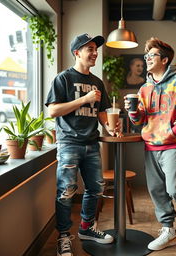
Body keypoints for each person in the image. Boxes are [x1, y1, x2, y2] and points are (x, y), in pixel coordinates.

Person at [124, 37, 176, 251]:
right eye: (146, 56)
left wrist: (175, 130)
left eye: (151, 55)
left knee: (175, 188)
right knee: (157, 191)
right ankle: (169, 231)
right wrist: (132, 111)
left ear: (164, 59)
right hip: (150, 146)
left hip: (173, 145)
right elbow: (140, 121)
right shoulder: (144, 88)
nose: (147, 59)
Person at [45, 33, 121, 256]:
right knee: (66, 191)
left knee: (96, 188)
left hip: (91, 143)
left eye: (96, 49)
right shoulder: (63, 79)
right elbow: (52, 111)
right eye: (90, 49)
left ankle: (87, 228)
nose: (95, 52)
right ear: (77, 52)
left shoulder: (97, 82)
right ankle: (63, 237)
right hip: (68, 143)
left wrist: (108, 127)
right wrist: (83, 100)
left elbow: (102, 112)